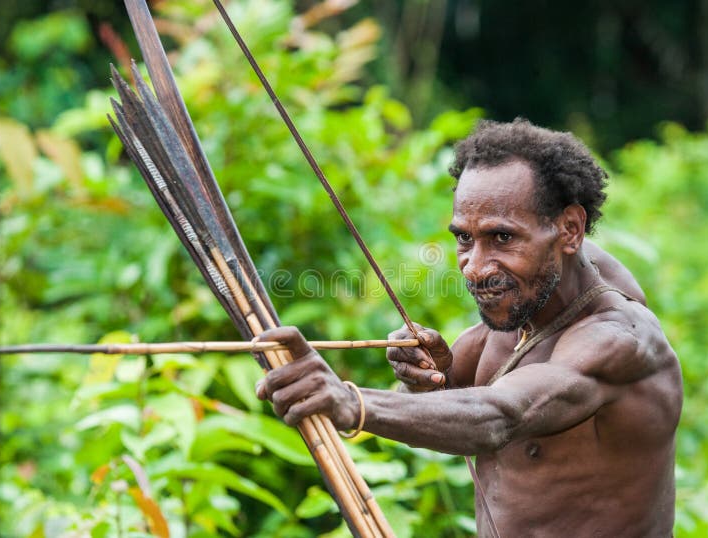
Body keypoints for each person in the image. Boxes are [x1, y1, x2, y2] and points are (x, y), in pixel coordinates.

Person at [256, 119, 683, 537]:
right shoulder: (525, 305)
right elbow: (444, 416)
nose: (475, 269)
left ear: (569, 229)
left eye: (501, 238)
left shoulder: (618, 340)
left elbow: (500, 416)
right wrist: (426, 385)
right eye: (464, 239)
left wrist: (350, 402)